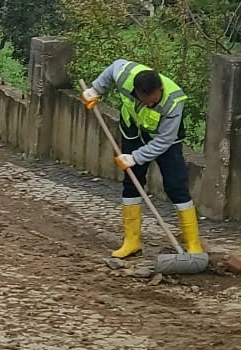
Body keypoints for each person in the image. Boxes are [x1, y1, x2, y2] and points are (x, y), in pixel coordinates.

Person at [82, 60, 208, 274]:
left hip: (165, 139)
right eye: (147, 100)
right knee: (131, 184)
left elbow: (164, 142)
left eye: (155, 99)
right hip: (133, 131)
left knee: (176, 186)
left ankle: (193, 244)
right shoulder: (125, 75)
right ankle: (131, 242)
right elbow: (113, 68)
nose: (152, 103)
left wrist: (135, 158)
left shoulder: (173, 100)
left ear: (160, 89)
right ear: (138, 92)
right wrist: (96, 89)